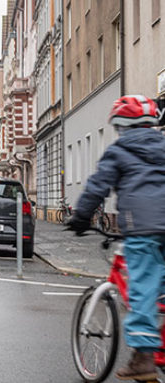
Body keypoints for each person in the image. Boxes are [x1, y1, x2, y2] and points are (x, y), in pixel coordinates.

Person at [67, 95, 164, 381]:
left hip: (142, 229)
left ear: (122, 125)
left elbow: (98, 185)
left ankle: (143, 358)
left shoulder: (120, 150)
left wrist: (81, 217)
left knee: (142, 290)